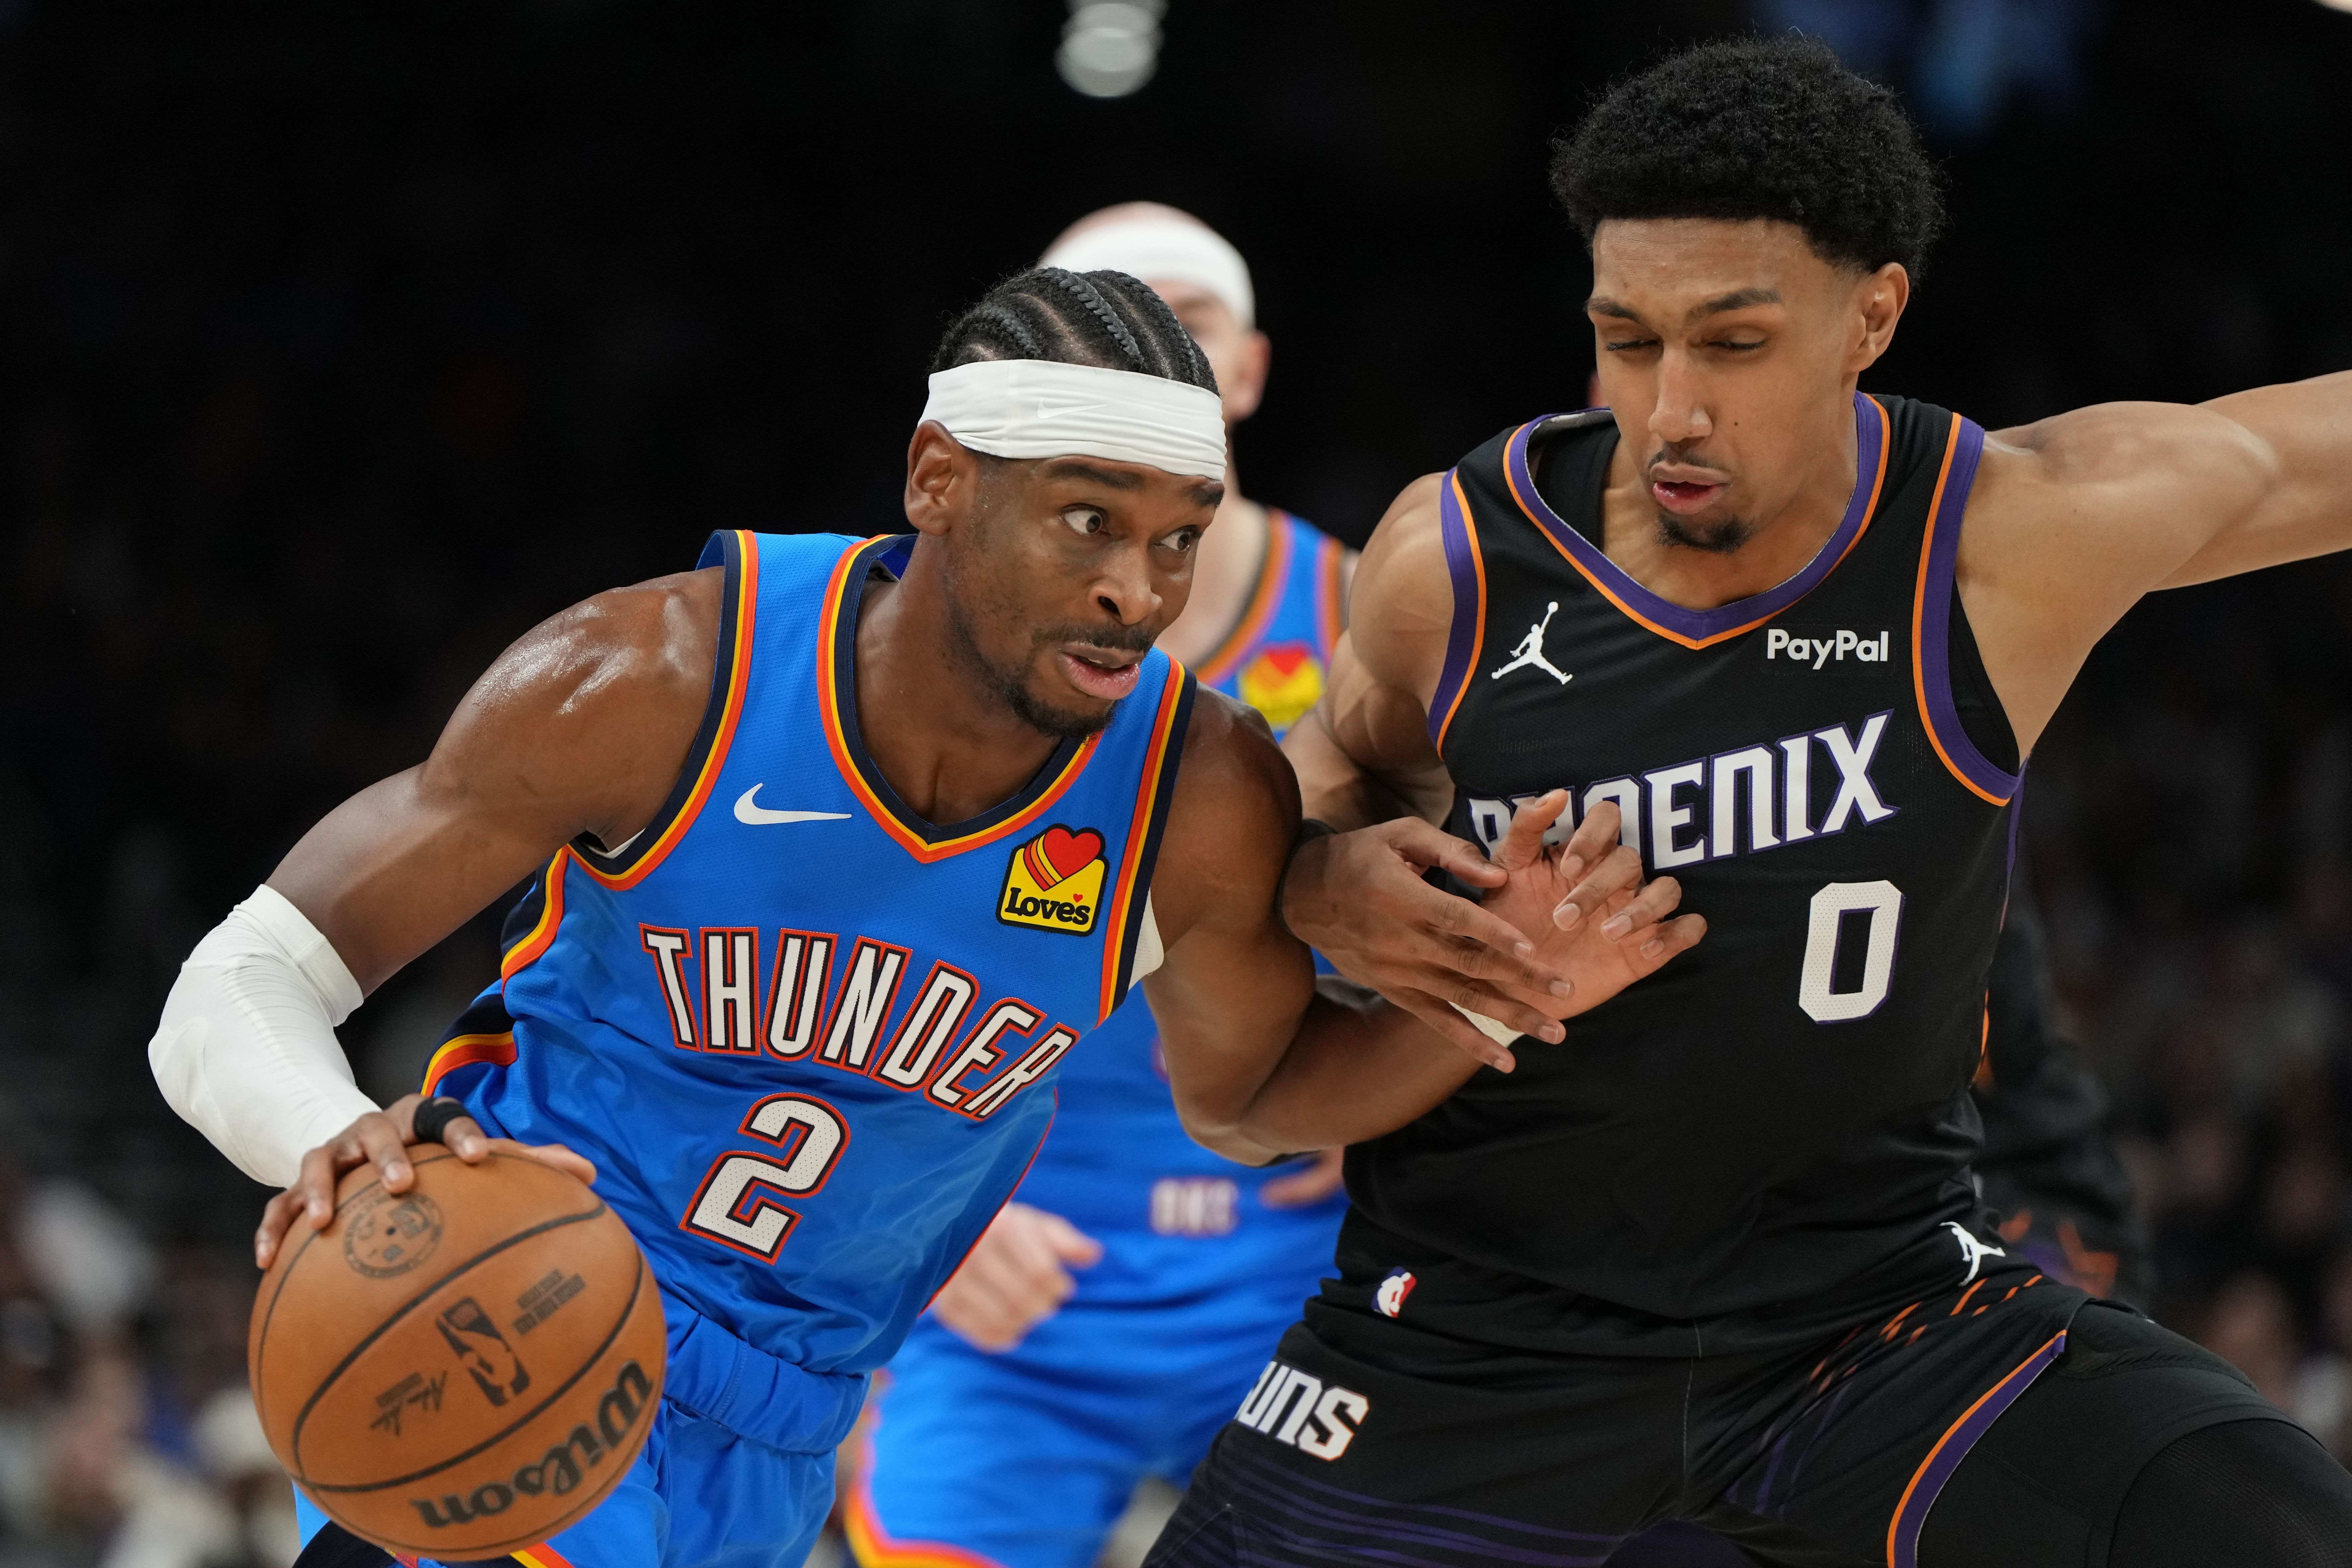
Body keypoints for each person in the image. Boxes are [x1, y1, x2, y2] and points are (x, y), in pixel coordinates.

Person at [148, 265, 1705, 1568]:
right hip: (524, 1311)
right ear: (937, 481)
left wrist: (1491, 996)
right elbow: (240, 979)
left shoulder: (1192, 784)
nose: (1139, 588)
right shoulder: (659, 678)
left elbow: (1252, 1100)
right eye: (1087, 519)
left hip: (794, 1424)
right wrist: (320, 1129)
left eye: (1177, 535)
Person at [1156, 37, 2352, 1568]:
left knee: (2261, 1510)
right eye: (1625, 339)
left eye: (1729, 344)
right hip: (1471, 1333)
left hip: (1881, 1326)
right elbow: (1303, 800)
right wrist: (1324, 878)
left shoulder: (2000, 541)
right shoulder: (1456, 558)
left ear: (1872, 317)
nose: (1667, 409)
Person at [846, 206, 1357, 1568]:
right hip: (1006, 1244)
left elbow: (1482, 913)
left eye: (1185, 323)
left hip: (1295, 1265)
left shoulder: (1372, 616)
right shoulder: (929, 627)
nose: (1155, 357)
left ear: (1246, 368)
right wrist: (921, 1216)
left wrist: (1402, 1121)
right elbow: (825, 946)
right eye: (1110, 322)